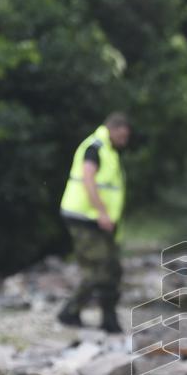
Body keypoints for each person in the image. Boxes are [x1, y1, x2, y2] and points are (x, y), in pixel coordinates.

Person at [57, 112, 131, 333]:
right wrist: (102, 213)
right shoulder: (95, 147)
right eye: (124, 136)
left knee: (111, 268)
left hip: (95, 219)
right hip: (85, 217)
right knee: (99, 269)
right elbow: (88, 178)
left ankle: (106, 319)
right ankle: (70, 313)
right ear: (115, 129)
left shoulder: (108, 150)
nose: (125, 141)